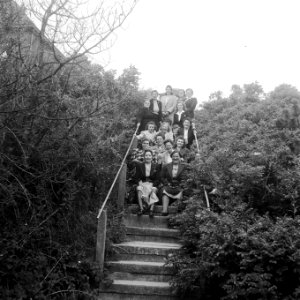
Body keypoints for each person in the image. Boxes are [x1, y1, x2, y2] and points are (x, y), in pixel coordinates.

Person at [131, 150, 160, 217]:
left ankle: (151, 210)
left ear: (152, 157)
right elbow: (136, 177)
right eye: (146, 155)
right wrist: (140, 183)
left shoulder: (156, 166)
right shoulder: (140, 165)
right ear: (144, 156)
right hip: (143, 183)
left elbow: (158, 179)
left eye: (149, 155)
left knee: (154, 189)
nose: (148, 157)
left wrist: (153, 185)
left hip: (152, 184)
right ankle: (141, 209)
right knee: (139, 189)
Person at [160, 150, 187, 216]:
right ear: (171, 157)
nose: (175, 158)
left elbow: (187, 177)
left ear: (180, 157)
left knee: (183, 191)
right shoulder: (166, 166)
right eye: (173, 156)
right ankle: (164, 210)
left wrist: (182, 184)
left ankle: (178, 213)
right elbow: (162, 177)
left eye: (177, 156)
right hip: (169, 185)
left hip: (179, 186)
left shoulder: (184, 166)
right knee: (164, 191)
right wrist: (166, 183)